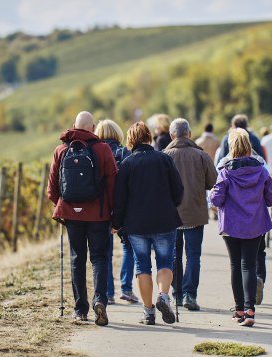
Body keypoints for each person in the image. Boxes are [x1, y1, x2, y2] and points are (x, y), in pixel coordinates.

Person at [47, 111, 117, 326]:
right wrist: (113, 212)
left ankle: (80, 310)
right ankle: (100, 300)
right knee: (99, 258)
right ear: (93, 127)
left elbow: (51, 189)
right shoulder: (103, 149)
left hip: (71, 214)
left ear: (74, 126)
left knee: (77, 259)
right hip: (98, 215)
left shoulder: (61, 150)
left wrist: (65, 206)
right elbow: (113, 183)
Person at [112, 121, 184, 325]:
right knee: (165, 262)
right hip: (164, 220)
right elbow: (178, 190)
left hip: (136, 225)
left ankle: (148, 312)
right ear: (148, 137)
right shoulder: (164, 159)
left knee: (142, 266)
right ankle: (163, 295)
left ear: (131, 140)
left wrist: (116, 223)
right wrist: (172, 204)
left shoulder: (127, 164)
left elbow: (120, 199)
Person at [210, 128, 272, 327]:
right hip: (255, 224)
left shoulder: (225, 172)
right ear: (249, 146)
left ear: (231, 147)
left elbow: (216, 198)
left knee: (234, 265)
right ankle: (250, 310)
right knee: (249, 265)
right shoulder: (261, 170)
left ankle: (239, 309)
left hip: (231, 225)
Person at [164, 118, 217, 310]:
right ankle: (190, 295)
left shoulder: (165, 156)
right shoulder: (201, 156)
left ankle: (177, 294)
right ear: (189, 134)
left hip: (171, 215)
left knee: (173, 255)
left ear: (172, 135)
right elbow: (213, 182)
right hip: (195, 212)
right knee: (194, 255)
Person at [94, 119, 139, 305]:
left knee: (105, 253)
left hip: (101, 208)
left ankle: (108, 293)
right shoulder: (125, 152)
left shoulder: (94, 153)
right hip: (124, 208)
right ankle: (126, 289)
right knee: (128, 248)